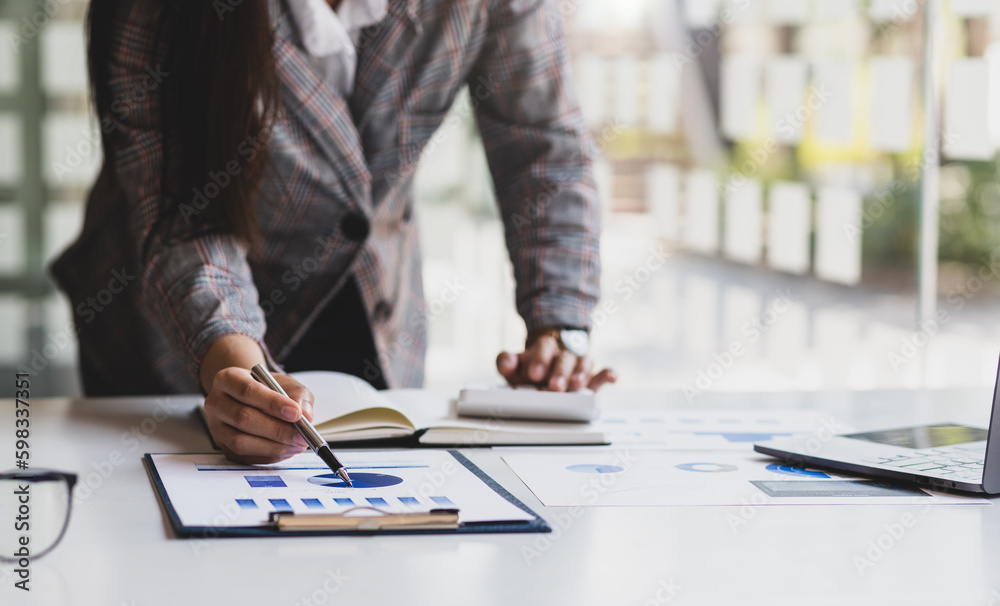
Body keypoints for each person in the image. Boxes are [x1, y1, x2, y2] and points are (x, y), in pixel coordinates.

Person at [51, 0, 615, 464]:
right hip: (178, 329)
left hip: (373, 311)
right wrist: (233, 361)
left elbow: (544, 154)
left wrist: (558, 328)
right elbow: (184, 216)